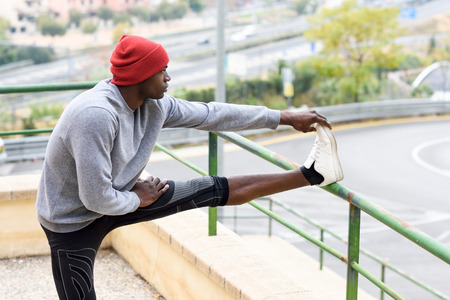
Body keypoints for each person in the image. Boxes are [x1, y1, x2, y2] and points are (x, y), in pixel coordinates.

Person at [36, 34, 343, 300]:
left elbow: (212, 114)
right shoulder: (95, 115)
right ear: (140, 76)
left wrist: (283, 117)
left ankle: (312, 174)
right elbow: (95, 198)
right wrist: (137, 199)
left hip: (123, 195)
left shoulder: (154, 105)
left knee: (209, 189)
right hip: (72, 222)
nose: (168, 78)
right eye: (162, 71)